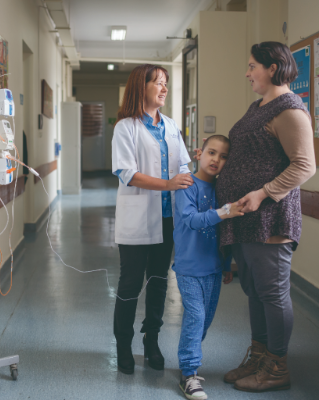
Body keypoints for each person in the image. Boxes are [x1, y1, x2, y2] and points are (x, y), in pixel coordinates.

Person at [213, 42, 316, 393]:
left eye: (253, 66)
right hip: (246, 218)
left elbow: (305, 165)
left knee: (272, 293)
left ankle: (277, 366)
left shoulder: (290, 110)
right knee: (255, 292)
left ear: (273, 68)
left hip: (270, 218)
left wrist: (262, 192)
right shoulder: (259, 106)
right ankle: (259, 356)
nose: (247, 72)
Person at [111, 64, 193, 375]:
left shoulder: (171, 126)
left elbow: (183, 165)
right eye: (158, 82)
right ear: (140, 87)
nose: (164, 88)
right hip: (136, 218)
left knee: (159, 283)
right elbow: (127, 173)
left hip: (168, 219)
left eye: (166, 83)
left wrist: (193, 168)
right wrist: (168, 183)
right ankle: (123, 344)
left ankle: (152, 341)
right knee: (130, 283)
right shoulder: (126, 127)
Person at [173, 135, 243, 400]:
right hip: (189, 267)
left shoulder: (222, 190)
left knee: (205, 320)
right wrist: (225, 211)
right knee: (196, 316)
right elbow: (191, 220)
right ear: (199, 153)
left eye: (224, 156)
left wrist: (226, 264)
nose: (217, 160)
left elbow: (224, 231)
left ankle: (187, 362)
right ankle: (189, 373)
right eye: (212, 153)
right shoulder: (186, 185)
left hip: (214, 268)